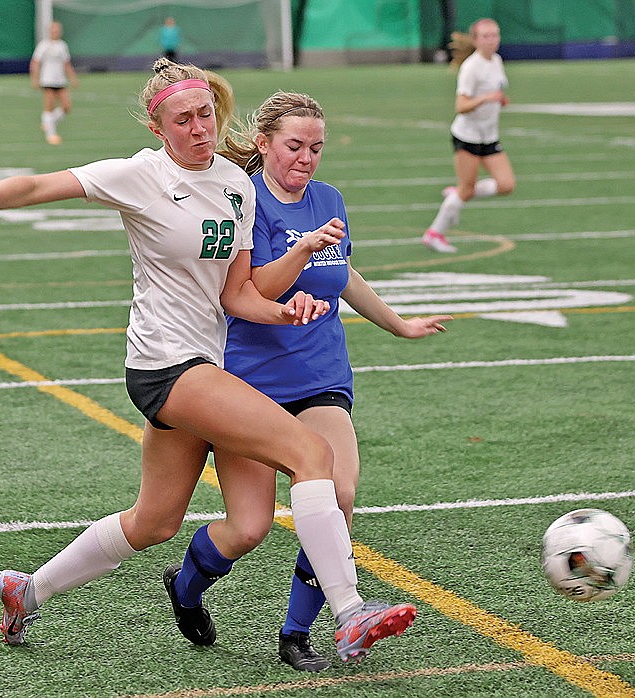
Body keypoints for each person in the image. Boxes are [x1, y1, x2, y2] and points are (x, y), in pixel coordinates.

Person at [0, 58, 416, 663]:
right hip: (166, 365)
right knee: (313, 455)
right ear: (159, 127)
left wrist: (288, 312)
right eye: (183, 120)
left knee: (155, 521)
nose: (199, 127)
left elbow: (237, 296)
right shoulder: (141, 176)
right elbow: (41, 184)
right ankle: (349, 614)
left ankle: (29, 589)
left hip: (203, 365)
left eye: (206, 114)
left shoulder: (236, 186)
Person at [165, 91, 449, 671]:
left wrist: (399, 325)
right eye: (295, 145)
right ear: (265, 143)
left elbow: (342, 274)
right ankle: (186, 586)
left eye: (316, 148)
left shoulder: (329, 199)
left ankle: (298, 634)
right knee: (248, 528)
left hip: (319, 377)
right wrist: (304, 250)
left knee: (339, 496)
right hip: (248, 384)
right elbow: (249, 293)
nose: (306, 158)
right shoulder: (242, 202)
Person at [422, 17, 515, 254]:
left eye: (495, 35)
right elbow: (461, 105)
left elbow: (495, 91)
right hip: (468, 137)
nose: (491, 40)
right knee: (466, 189)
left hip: (489, 136)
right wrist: (486, 98)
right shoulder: (471, 68)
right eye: (485, 36)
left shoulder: (496, 60)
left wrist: (498, 99)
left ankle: (460, 193)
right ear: (475, 40)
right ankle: (434, 233)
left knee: (506, 184)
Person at [30, 21, 79, 145]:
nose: (55, 32)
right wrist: (35, 78)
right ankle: (51, 135)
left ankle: (48, 122)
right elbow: (35, 62)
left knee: (67, 107)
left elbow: (66, 63)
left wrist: (72, 77)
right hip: (47, 80)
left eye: (57, 30)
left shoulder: (62, 45)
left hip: (60, 80)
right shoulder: (43, 45)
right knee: (49, 106)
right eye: (53, 29)